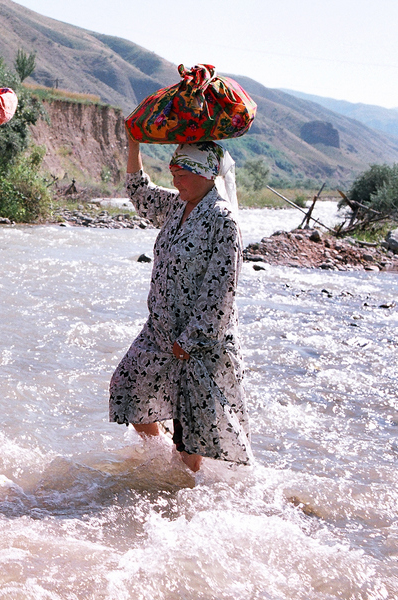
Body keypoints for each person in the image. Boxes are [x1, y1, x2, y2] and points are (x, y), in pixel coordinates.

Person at [109, 128, 253, 472]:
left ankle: (185, 492)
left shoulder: (222, 221)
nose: (175, 180)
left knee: (190, 435)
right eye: (173, 172)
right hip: (160, 332)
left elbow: (221, 291)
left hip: (199, 343)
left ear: (206, 174)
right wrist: (133, 143)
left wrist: (190, 340)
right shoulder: (176, 205)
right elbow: (140, 192)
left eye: (182, 174)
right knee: (128, 386)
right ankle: (158, 461)